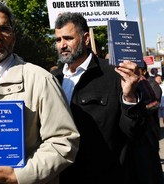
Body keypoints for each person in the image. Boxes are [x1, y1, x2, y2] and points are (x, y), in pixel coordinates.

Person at [0, 0, 80, 184]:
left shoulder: (40, 80)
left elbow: (64, 142)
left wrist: (19, 176)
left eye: (4, 29)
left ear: (13, 37)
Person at [52, 12, 147, 184]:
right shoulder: (53, 78)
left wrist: (130, 96)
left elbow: (134, 132)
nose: (62, 45)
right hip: (64, 175)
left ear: (86, 38)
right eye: (58, 40)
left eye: (68, 38)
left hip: (106, 176)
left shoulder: (114, 75)